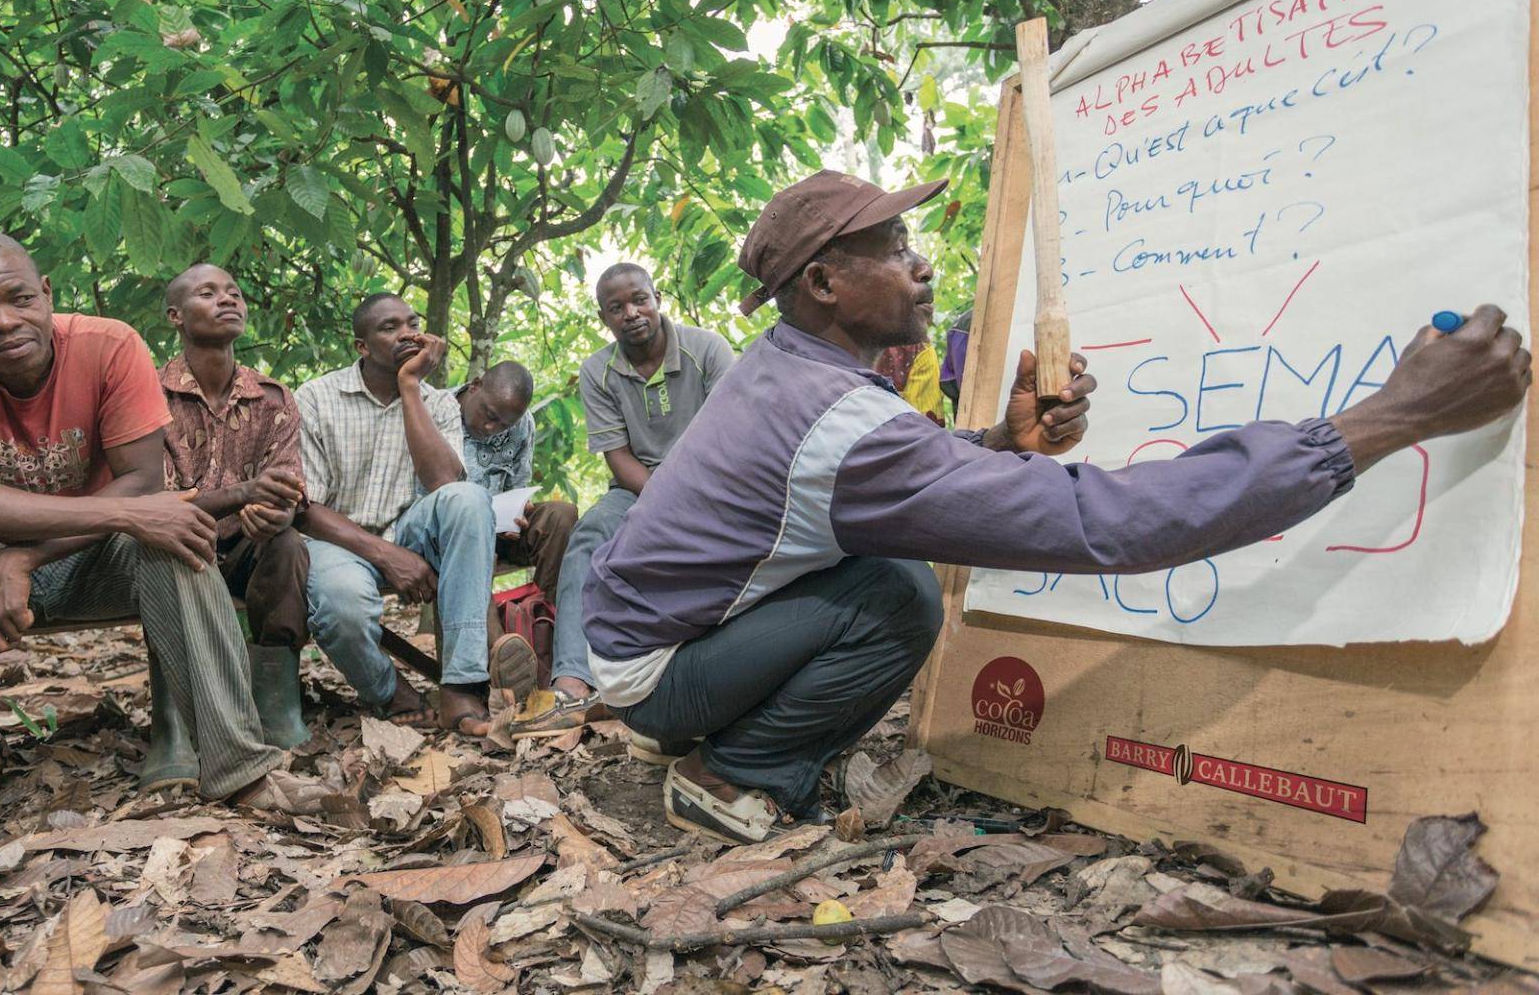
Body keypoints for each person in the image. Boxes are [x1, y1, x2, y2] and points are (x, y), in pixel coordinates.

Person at [585, 169, 1531, 844]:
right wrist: (1398, 414)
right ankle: (733, 777)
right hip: (656, 673)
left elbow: (867, 473)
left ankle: (738, 740)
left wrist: (1003, 443)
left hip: (657, 639)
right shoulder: (834, 413)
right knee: (895, 596)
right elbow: (1107, 523)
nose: (921, 267)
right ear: (824, 284)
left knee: (886, 577)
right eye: (895, 249)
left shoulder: (791, 374)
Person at [0, 232, 281, 848]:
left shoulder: (108, 344)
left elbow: (142, 481)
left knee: (176, 532)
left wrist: (25, 556)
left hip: (86, 549)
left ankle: (239, 769)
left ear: (45, 293)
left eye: (18, 299)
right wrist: (3, 553)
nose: (4, 322)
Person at [514, 264, 734, 737]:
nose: (632, 313)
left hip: (712, 485)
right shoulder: (598, 370)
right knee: (591, 532)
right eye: (617, 308)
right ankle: (572, 681)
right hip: (639, 488)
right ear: (604, 317)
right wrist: (662, 501)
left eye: (640, 300)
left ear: (657, 298)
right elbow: (618, 454)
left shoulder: (706, 349)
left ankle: (699, 681)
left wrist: (689, 500)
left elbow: (730, 438)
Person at [295, 294, 499, 736]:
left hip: (409, 532)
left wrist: (410, 387)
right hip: (335, 542)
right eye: (390, 328)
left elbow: (447, 482)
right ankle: (389, 691)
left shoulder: (437, 403)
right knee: (342, 607)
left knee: (468, 499)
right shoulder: (315, 398)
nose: (408, 333)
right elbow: (304, 508)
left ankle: (462, 684)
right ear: (362, 347)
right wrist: (385, 556)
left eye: (413, 323)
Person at [158, 263, 312, 763]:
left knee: (287, 544)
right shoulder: (147, 395)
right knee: (165, 543)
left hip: (247, 549)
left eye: (236, 293)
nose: (229, 300)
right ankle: (175, 726)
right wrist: (245, 491)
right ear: (175, 316)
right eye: (209, 293)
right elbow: (151, 505)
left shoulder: (272, 397)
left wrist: (276, 516)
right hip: (181, 545)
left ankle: (277, 706)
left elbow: (286, 489)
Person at [456, 361, 579, 690]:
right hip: (455, 532)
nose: (492, 427)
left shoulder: (522, 425)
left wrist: (516, 513)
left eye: (504, 423)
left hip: (500, 526)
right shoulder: (438, 411)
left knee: (561, 516)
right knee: (469, 536)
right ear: (475, 386)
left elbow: (517, 487)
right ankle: (503, 658)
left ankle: (544, 630)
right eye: (489, 414)